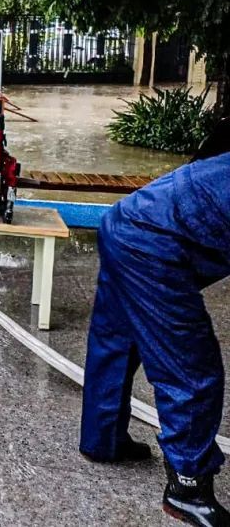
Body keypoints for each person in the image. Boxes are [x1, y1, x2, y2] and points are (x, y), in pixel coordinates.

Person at [79, 149, 230, 527]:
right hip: (153, 246)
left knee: (116, 343)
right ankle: (188, 488)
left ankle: (103, 441)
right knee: (192, 370)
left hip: (124, 222)